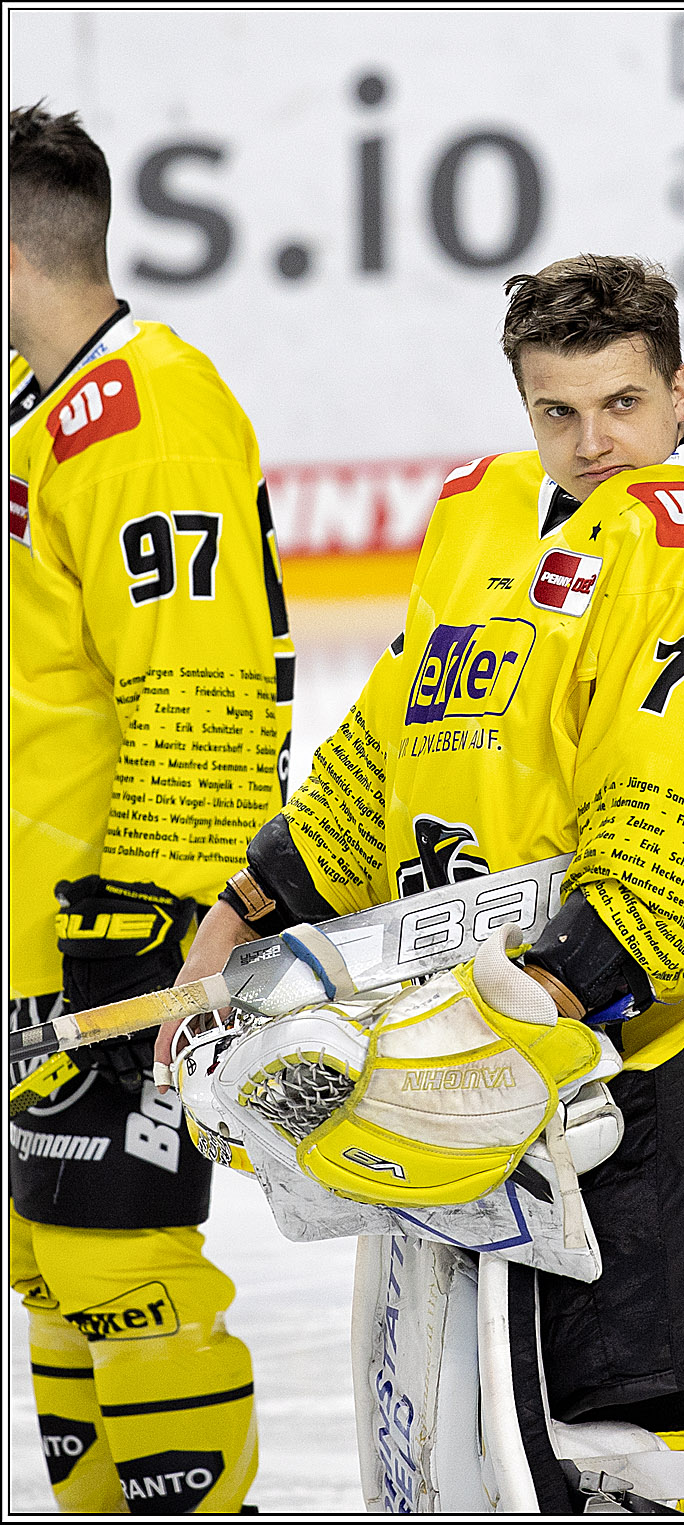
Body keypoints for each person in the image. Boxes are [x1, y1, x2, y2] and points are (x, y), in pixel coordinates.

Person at [160, 254, 684, 1513]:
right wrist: (248, 909)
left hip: (655, 1061)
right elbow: (385, 751)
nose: (595, 442)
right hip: (485, 1052)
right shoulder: (479, 509)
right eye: (558, 410)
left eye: (624, 404)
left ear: (681, 387)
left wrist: (541, 998)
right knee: (471, 1454)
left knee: (630, 1451)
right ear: (522, 403)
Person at [9, 103, 294, 1514]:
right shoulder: (39, 397)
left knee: (125, 1272)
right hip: (29, 938)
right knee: (48, 1263)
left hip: (109, 940)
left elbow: (205, 689)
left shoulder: (149, 413)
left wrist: (148, 934)